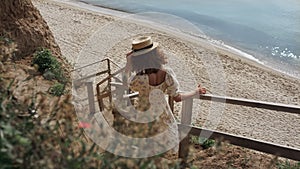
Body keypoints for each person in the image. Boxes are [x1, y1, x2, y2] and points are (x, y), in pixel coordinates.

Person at [112, 36, 206, 156]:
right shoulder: (167, 73)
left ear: (138, 60)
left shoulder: (138, 79)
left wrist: (128, 63)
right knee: (165, 153)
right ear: (156, 54)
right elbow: (177, 97)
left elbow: (124, 84)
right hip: (163, 116)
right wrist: (195, 92)